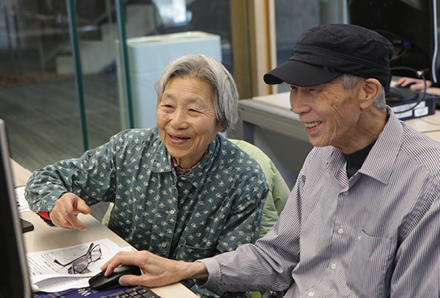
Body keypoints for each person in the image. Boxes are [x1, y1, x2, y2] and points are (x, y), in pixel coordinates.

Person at [101, 24, 440, 297]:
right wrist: (189, 269)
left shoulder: (428, 184)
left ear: (366, 92)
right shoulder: (322, 157)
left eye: (312, 90)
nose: (296, 105)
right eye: (294, 89)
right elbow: (277, 256)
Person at [25, 54, 269, 297]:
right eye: (168, 106)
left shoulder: (244, 179)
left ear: (221, 121)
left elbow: (230, 278)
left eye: (193, 110)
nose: (176, 121)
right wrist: (57, 202)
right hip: (118, 288)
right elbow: (45, 179)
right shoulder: (129, 150)